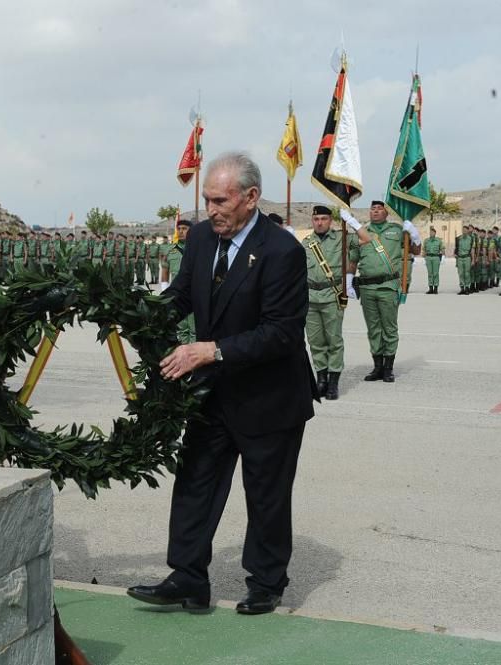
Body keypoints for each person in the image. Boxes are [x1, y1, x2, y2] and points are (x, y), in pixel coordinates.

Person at [127, 152, 316, 615]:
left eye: (220, 200)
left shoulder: (282, 251)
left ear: (250, 198)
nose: (211, 210)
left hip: (269, 396)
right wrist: (135, 315)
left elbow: (281, 331)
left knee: (266, 493)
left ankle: (266, 582)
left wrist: (210, 350)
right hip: (213, 392)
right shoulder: (199, 240)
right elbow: (180, 296)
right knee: (195, 481)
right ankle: (189, 577)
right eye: (207, 200)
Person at [341, 201, 421, 382]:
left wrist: (415, 235)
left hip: (388, 287)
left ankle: (388, 368)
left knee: (389, 329)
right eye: (372, 209)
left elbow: (415, 250)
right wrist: (348, 282)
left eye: (379, 209)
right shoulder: (362, 232)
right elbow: (353, 261)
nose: (375, 211)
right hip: (367, 288)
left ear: (386, 212)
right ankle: (377, 367)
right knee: (373, 329)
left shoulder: (397, 230)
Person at [303, 205, 359, 399]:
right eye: (316, 219)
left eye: (324, 219)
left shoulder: (343, 238)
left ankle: (333, 382)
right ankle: (321, 380)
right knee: (316, 342)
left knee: (334, 340)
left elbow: (368, 241)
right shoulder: (306, 243)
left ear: (331, 221)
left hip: (332, 296)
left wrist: (352, 222)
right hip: (310, 298)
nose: (320, 222)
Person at [162, 218, 195, 343]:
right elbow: (165, 272)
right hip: (175, 295)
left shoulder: (198, 249)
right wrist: (165, 293)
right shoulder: (170, 250)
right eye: (179, 229)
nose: (181, 231)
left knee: (194, 329)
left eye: (184, 229)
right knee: (180, 328)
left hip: (193, 295)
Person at [422, 227, 443, 294]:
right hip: (428, 257)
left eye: (432, 232)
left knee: (435, 273)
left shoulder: (438, 240)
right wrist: (424, 255)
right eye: (430, 232)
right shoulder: (426, 240)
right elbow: (424, 249)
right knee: (430, 273)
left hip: (436, 257)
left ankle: (436, 288)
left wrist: (441, 254)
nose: (431, 234)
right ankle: (430, 288)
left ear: (435, 233)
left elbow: (442, 249)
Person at [455, 224, 475, 294]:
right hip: (460, 258)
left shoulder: (471, 239)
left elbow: (472, 250)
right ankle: (462, 288)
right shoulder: (458, 238)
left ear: (468, 231)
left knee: (467, 273)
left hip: (467, 258)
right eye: (463, 230)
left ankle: (467, 287)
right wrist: (456, 261)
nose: (464, 231)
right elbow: (456, 250)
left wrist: (473, 260)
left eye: (465, 230)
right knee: (460, 273)